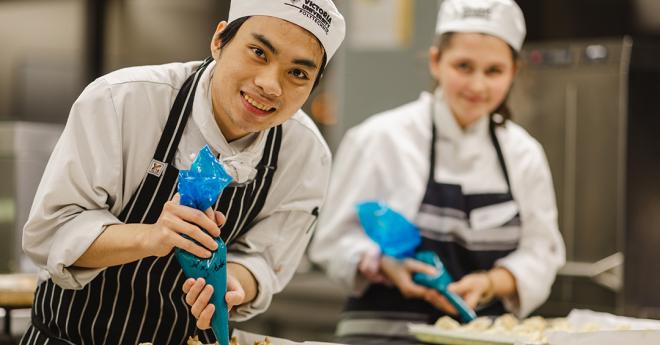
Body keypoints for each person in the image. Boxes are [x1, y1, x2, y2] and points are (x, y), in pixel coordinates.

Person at [20, 0, 345, 344]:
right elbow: (51, 233)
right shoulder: (123, 100)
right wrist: (152, 236)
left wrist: (233, 283)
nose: (271, 85)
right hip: (73, 336)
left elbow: (264, 258)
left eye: (298, 73)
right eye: (258, 52)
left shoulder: (304, 153)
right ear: (219, 40)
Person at [309, 0, 565, 343]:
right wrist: (386, 266)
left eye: (493, 71)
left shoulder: (523, 154)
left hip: (482, 335)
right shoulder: (381, 139)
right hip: (382, 334)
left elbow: (542, 252)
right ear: (435, 62)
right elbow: (331, 242)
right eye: (463, 66)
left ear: (513, 72)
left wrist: (490, 283)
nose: (477, 85)